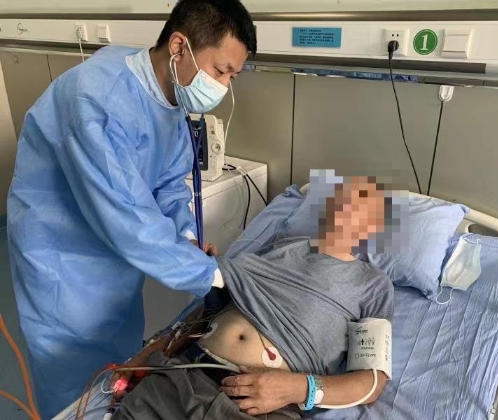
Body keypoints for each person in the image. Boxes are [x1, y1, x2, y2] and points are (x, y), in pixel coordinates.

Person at [6, 0, 256, 417]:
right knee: (73, 386)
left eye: (233, 76)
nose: (224, 86)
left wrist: (187, 238)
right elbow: (126, 219)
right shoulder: (97, 100)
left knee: (119, 365)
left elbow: (168, 185)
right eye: (220, 71)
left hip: (112, 258)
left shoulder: (167, 97)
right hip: (62, 259)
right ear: (179, 47)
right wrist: (211, 276)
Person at [112, 177, 394, 420]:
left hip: (260, 406)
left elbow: (372, 383)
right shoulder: (281, 245)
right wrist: (152, 350)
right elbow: (218, 306)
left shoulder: (373, 284)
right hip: (183, 375)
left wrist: (298, 389)